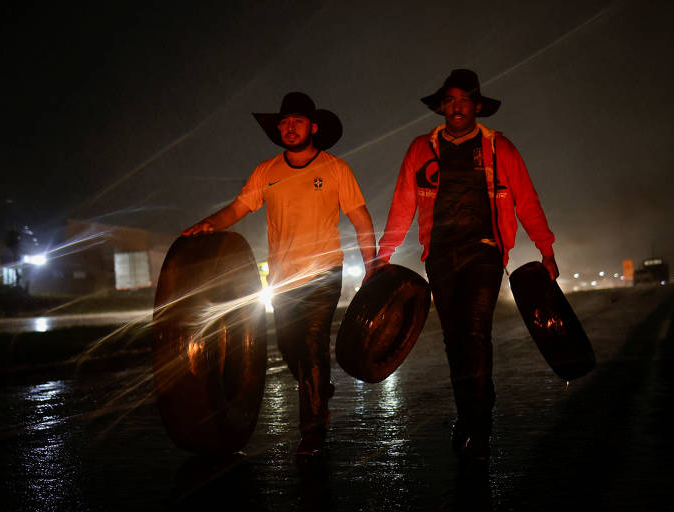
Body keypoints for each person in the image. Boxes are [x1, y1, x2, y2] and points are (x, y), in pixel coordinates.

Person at [377, 69, 558, 471]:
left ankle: (477, 426)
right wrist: (383, 254)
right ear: (442, 107)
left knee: (475, 333)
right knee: (455, 339)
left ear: (477, 106)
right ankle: (472, 407)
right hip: (440, 255)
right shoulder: (421, 149)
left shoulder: (498, 148)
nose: (456, 107)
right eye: (450, 100)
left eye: (464, 100)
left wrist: (546, 249)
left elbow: (526, 199)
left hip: (485, 252)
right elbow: (403, 203)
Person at [183, 92, 377, 461]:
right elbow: (238, 208)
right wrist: (209, 223)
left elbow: (361, 218)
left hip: (323, 272)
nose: (289, 127)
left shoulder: (336, 169)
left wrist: (373, 265)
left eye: (297, 121)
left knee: (313, 344)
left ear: (313, 127)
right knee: (289, 346)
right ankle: (318, 391)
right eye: (284, 122)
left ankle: (312, 431)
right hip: (283, 276)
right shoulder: (267, 171)